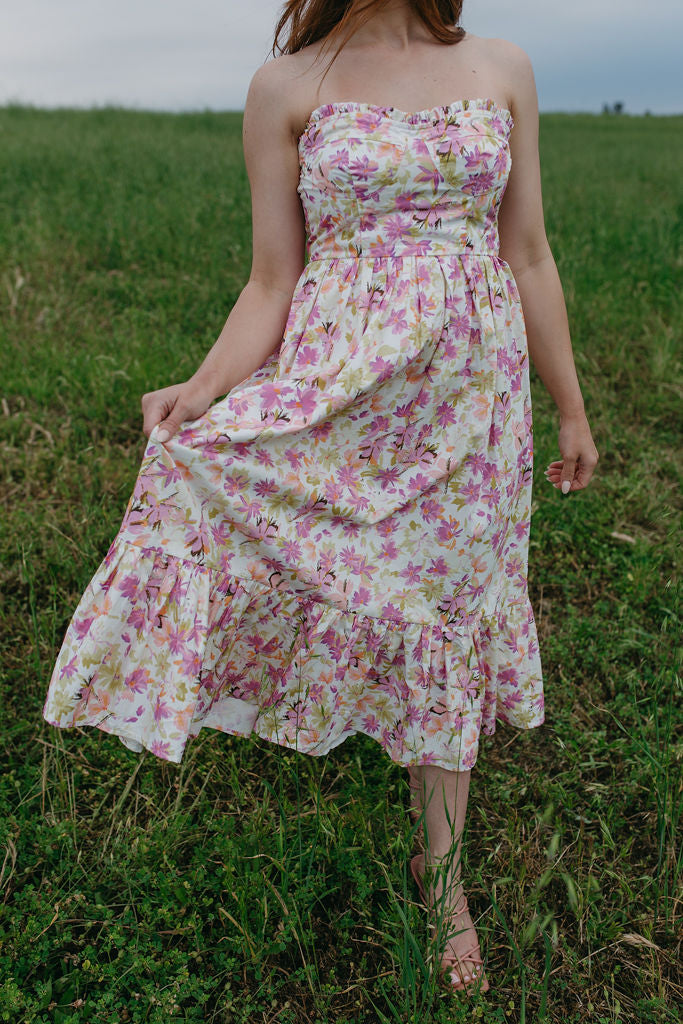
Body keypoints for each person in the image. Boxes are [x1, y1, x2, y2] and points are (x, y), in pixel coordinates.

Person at [42, 0, 599, 997]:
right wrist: (202, 386)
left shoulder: (501, 64)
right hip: (342, 381)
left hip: (472, 397)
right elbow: (270, 279)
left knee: (447, 608)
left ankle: (443, 876)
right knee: (213, 474)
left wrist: (568, 406)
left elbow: (526, 254)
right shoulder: (286, 86)